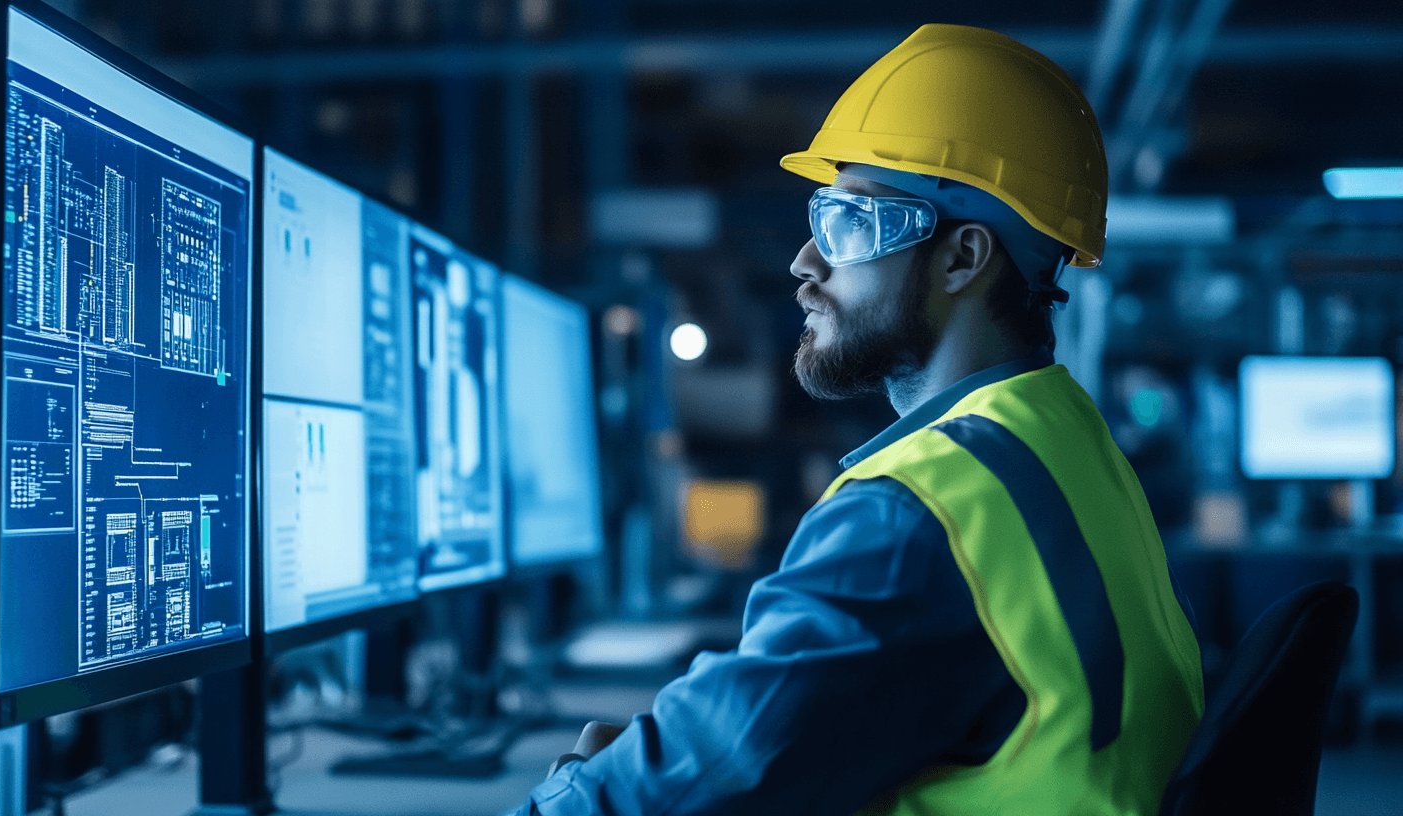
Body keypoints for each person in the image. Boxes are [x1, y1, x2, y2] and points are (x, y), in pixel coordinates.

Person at [508, 24, 1203, 816]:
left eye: (850, 224)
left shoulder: (919, 512)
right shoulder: (1065, 442)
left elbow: (715, 768)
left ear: (961, 258)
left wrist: (567, 790)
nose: (807, 262)